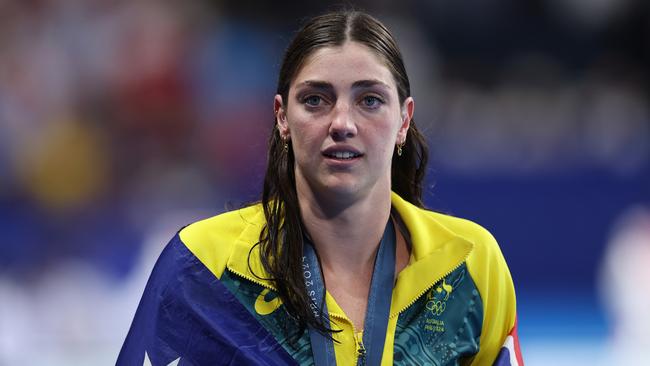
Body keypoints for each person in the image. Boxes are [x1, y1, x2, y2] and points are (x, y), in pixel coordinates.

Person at [118, 10, 522, 366]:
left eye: (370, 100)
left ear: (404, 120)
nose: (342, 123)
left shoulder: (469, 264)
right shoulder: (203, 268)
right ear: (282, 117)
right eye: (315, 100)